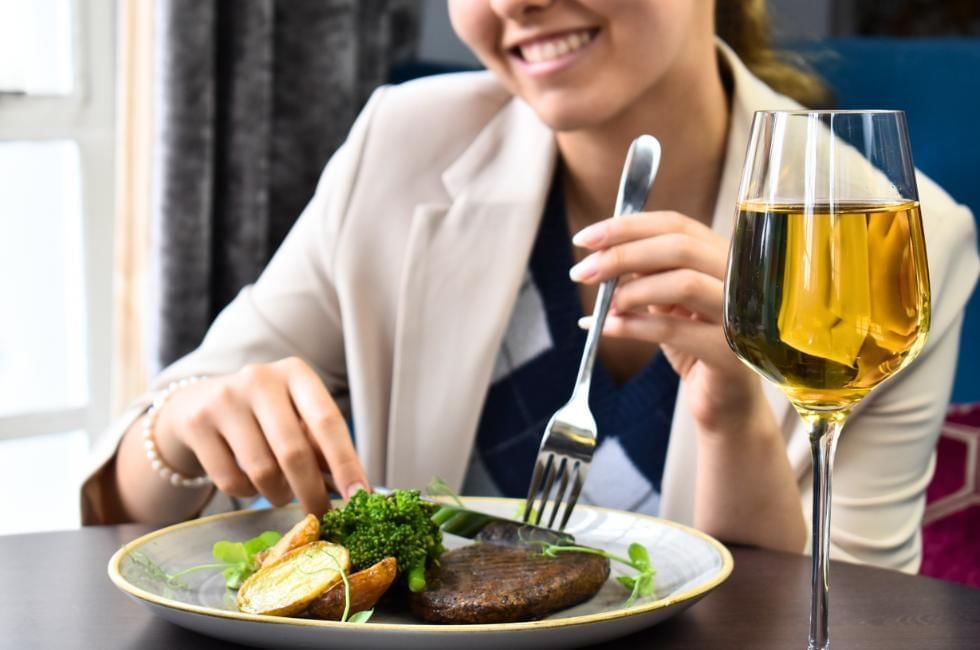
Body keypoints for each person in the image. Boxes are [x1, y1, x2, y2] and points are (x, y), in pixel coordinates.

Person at [82, 0, 978, 573]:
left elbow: (851, 621)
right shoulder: (403, 146)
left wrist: (732, 416)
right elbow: (124, 502)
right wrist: (182, 432)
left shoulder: (895, 239)